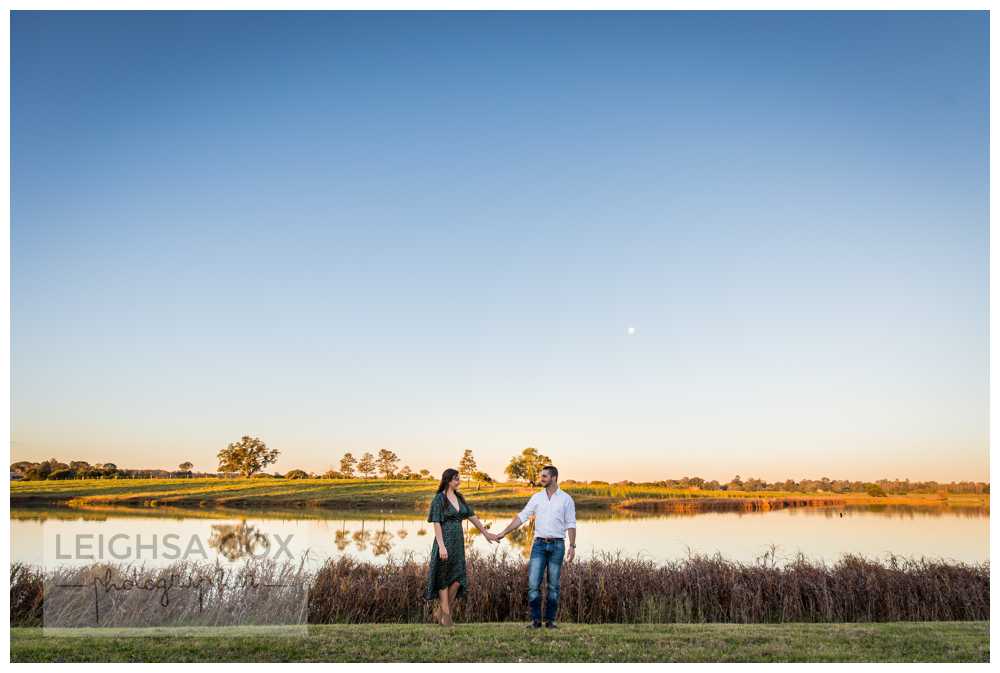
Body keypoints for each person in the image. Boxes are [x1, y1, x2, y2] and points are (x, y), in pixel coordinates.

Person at [495, 465, 576, 628]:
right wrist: (504, 532)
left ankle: (551, 621)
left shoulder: (566, 499)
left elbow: (571, 524)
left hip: (557, 545)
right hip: (539, 545)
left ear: (554, 478)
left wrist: (572, 546)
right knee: (533, 585)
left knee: (553, 586)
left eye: (544, 476)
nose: (541, 479)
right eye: (541, 476)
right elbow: (522, 517)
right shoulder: (536, 498)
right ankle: (536, 621)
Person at [424, 468, 498, 626]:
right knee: (443, 577)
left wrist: (485, 533)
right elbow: (436, 523)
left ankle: (440, 612)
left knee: (457, 580)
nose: (459, 481)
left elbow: (471, 516)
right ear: (448, 480)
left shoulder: (459, 497)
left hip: (458, 542)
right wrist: (442, 546)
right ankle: (446, 616)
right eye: (456, 479)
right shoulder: (439, 499)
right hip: (444, 541)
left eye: (459, 478)